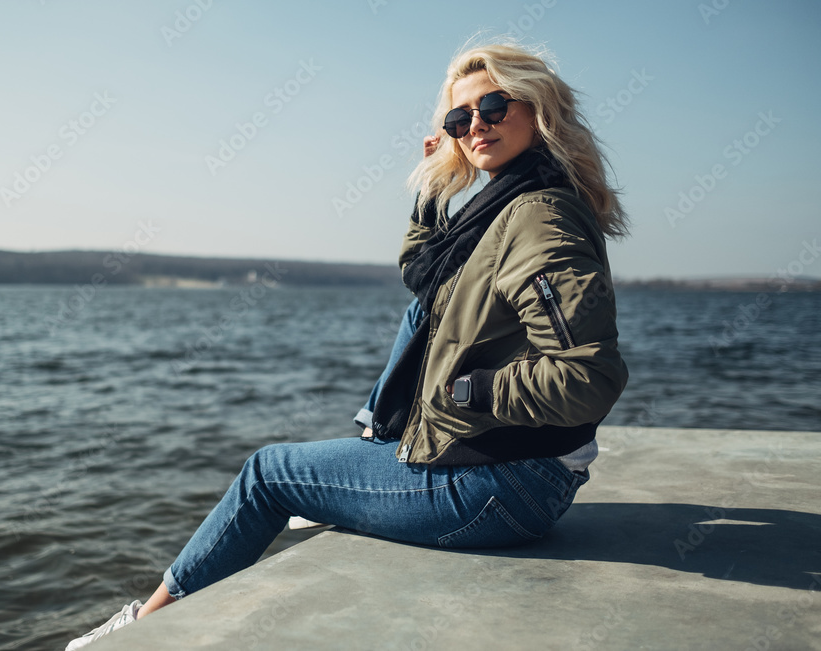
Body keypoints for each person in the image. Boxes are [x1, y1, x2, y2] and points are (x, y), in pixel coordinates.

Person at [65, 40, 629, 649]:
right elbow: (425, 276)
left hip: (504, 485)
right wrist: (434, 189)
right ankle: (373, 453)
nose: (475, 125)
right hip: (510, 471)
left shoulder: (538, 214)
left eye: (493, 104)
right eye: (459, 118)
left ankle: (145, 627)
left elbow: (586, 379)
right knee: (425, 311)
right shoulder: (504, 205)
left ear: (538, 106)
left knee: (267, 474)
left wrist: (468, 390)